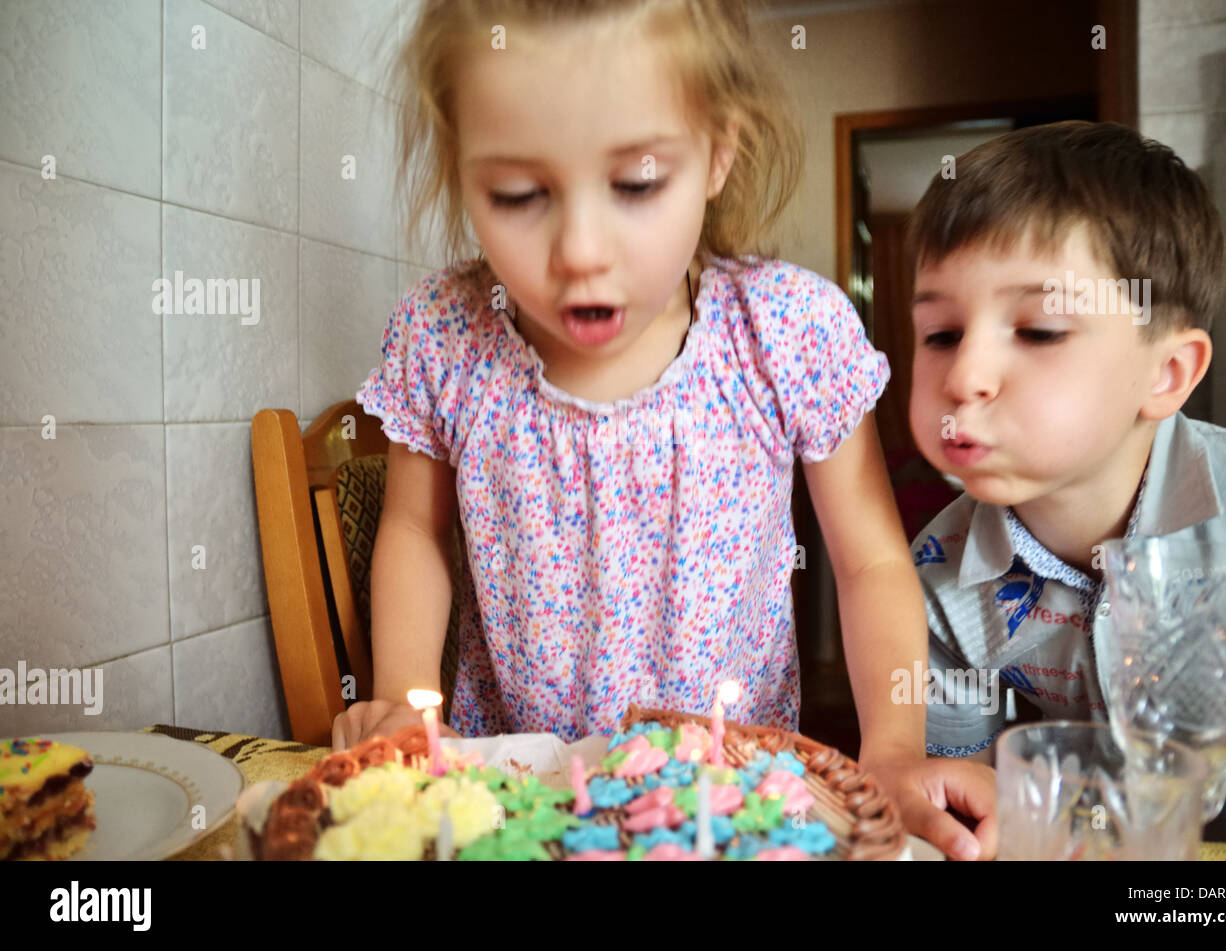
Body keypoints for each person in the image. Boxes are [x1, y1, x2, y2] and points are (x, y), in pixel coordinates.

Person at [330, 0, 995, 860]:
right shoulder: (444, 333)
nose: (580, 250)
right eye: (518, 193)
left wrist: (896, 747)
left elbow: (869, 559)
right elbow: (415, 529)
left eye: (637, 183)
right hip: (513, 802)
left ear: (718, 152)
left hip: (729, 805)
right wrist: (403, 692)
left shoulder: (784, 329)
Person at [909, 120, 1226, 844]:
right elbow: (953, 798)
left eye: (1039, 331)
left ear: (1166, 373)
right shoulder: (939, 575)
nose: (963, 377)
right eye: (940, 334)